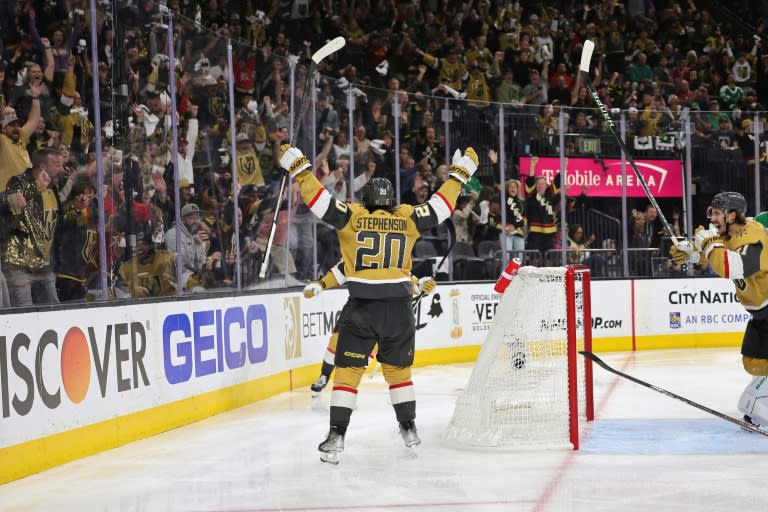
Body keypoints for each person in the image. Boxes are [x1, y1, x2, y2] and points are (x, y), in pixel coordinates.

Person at [278, 143, 478, 464]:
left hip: (362, 307)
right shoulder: (408, 217)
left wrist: (302, 170)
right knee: (399, 372)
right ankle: (409, 429)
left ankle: (336, 437)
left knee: (347, 373)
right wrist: (458, 175)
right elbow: (441, 207)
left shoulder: (353, 217)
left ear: (367, 201)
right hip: (399, 309)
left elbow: (319, 202)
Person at [670, 192, 768, 427]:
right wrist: (691, 253)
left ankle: (755, 405)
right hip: (761, 313)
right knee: (755, 362)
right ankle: (758, 406)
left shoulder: (751, 233)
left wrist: (708, 243)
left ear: (731, 215)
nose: (711, 218)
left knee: (757, 382)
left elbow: (732, 266)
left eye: (716, 213)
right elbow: (716, 255)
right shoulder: (730, 234)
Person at [305, 261, 438, 397]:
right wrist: (320, 284)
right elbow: (339, 271)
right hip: (358, 310)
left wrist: (423, 285)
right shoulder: (357, 255)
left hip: (383, 317)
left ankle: (347, 390)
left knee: (358, 360)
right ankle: (324, 375)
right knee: (335, 341)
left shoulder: (393, 260)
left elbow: (410, 283)